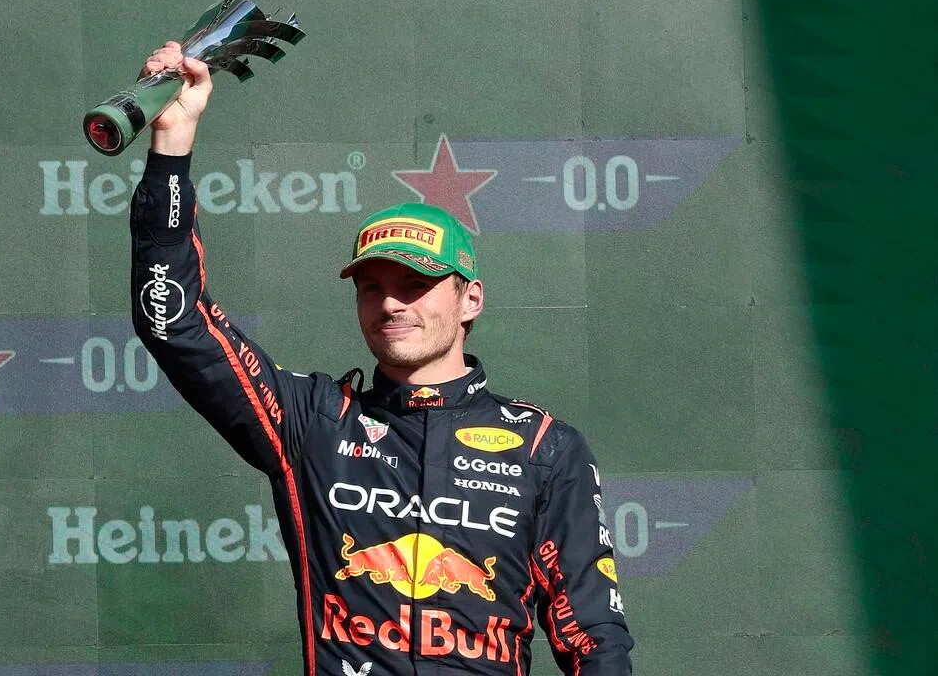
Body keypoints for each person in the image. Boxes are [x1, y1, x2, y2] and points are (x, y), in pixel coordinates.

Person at [129, 41, 634, 676]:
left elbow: (592, 636)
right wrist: (171, 145)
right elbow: (172, 318)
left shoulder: (545, 448)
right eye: (373, 285)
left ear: (470, 297)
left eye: (416, 284)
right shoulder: (314, 421)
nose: (391, 303)